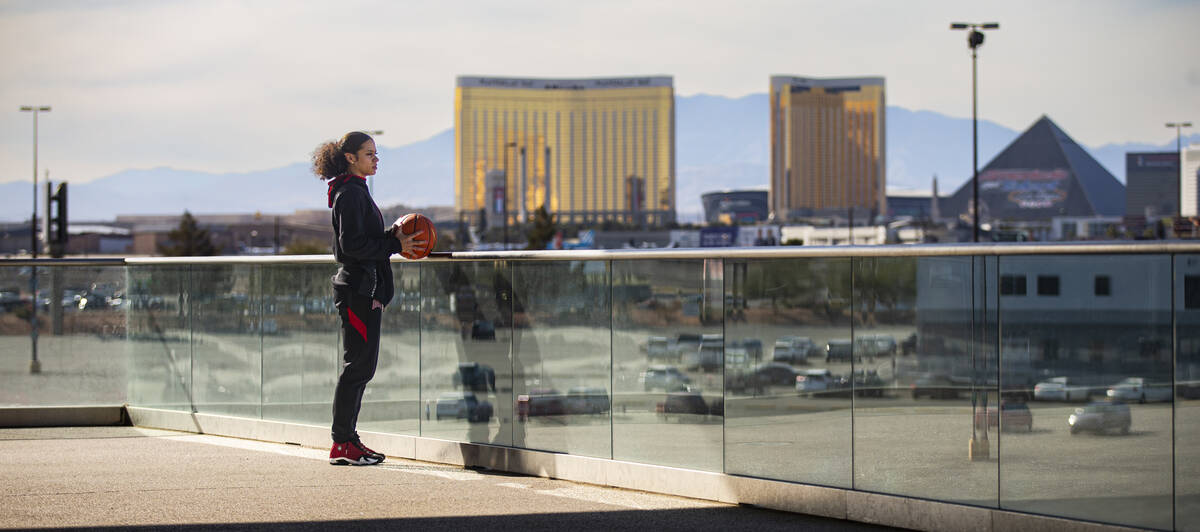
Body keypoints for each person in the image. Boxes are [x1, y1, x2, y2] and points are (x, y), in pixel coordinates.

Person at [312, 131, 426, 465]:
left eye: (376, 154)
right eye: (369, 153)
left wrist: (392, 235)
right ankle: (342, 443)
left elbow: (362, 239)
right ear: (350, 157)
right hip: (358, 291)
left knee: (362, 368)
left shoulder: (354, 190)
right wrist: (395, 245)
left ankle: (348, 441)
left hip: (366, 292)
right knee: (357, 368)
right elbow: (350, 246)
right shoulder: (349, 193)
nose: (375, 159)